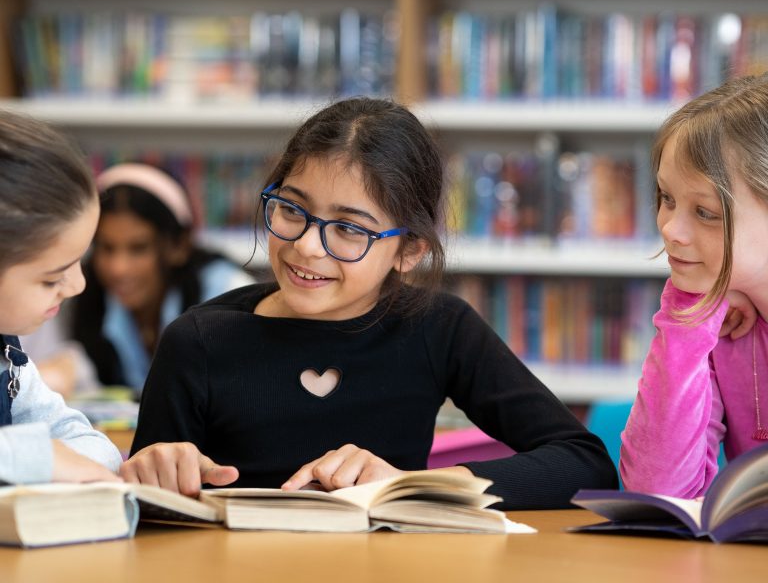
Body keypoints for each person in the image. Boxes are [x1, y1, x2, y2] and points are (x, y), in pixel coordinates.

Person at [120, 97, 617, 508]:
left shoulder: (438, 329)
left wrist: (411, 486)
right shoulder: (198, 341)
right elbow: (150, 504)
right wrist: (152, 473)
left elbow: (584, 462)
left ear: (409, 250)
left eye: (350, 228)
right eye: (292, 209)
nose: (308, 246)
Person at [621, 72, 768, 498]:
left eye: (705, 212)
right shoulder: (718, 323)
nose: (670, 229)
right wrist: (688, 315)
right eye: (667, 198)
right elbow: (657, 491)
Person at [25, 162, 255, 396]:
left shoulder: (230, 295)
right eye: (106, 247)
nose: (118, 269)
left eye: (138, 248)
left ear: (179, 245)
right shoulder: (80, 298)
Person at [0, 109, 122, 484]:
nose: (77, 286)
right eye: (52, 277)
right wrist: (39, 456)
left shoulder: (9, 360)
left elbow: (95, 448)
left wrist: (53, 456)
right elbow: (54, 455)